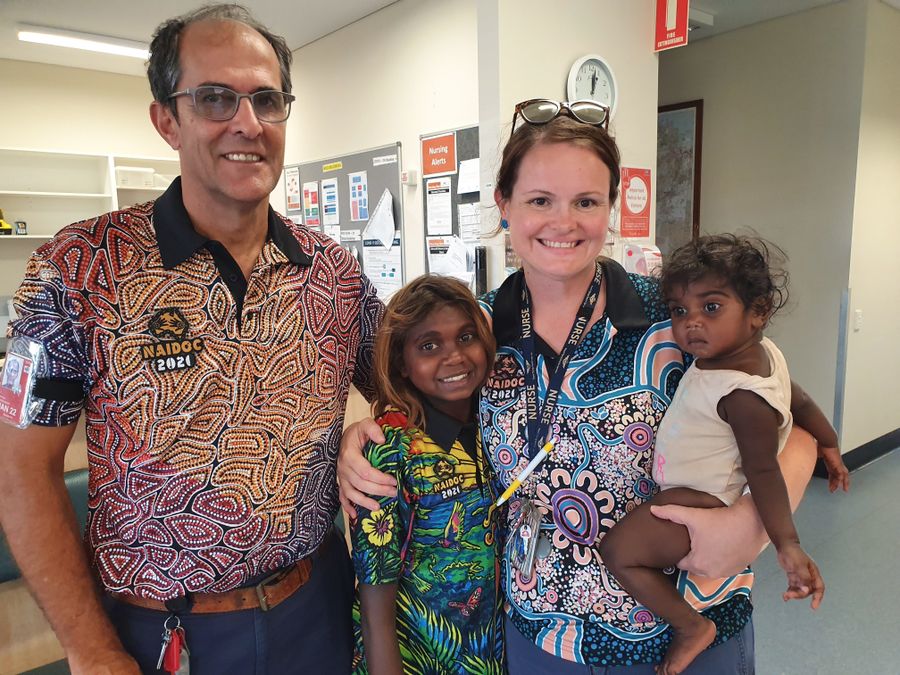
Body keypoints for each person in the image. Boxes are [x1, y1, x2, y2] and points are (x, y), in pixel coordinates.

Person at [339, 98, 819, 673]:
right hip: (540, 638)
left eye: (586, 202)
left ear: (609, 209)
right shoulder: (482, 334)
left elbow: (795, 425)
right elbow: (418, 424)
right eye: (540, 200)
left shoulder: (673, 317)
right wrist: (357, 439)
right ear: (504, 206)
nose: (563, 222)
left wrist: (751, 523)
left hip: (690, 631)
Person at [0, 5, 381, 674]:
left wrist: (373, 426)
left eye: (267, 99)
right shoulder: (77, 267)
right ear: (166, 119)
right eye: (215, 98)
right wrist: (89, 648)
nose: (247, 122)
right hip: (160, 634)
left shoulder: (335, 273)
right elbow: (20, 469)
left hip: (317, 610)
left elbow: (423, 386)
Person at [599, 234, 850, 675]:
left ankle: (691, 626)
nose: (692, 323)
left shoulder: (741, 396)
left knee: (620, 551)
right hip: (692, 487)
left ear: (758, 311)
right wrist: (829, 440)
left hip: (701, 496)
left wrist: (787, 543)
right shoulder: (758, 354)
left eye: (711, 308)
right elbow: (799, 399)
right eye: (680, 311)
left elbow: (763, 469)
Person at [349, 274, 503, 674]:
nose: (454, 357)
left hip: (490, 654)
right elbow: (374, 601)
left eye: (466, 337)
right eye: (429, 345)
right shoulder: (392, 451)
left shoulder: (499, 429)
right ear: (402, 361)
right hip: (417, 657)